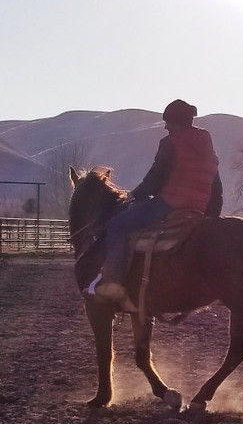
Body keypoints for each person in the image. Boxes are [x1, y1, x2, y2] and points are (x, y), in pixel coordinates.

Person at [87, 99, 223, 305]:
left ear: (176, 123)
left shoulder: (170, 144)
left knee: (117, 225)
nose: (166, 127)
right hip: (197, 208)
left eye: (168, 122)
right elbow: (216, 187)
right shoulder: (209, 149)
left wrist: (135, 195)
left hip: (169, 203)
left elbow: (155, 178)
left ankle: (113, 281)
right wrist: (211, 216)